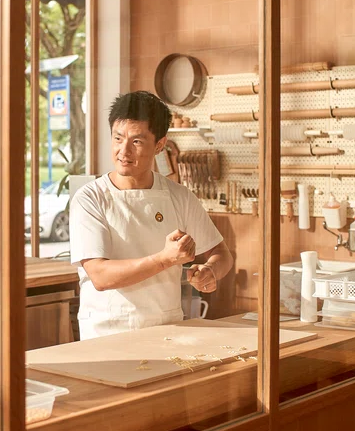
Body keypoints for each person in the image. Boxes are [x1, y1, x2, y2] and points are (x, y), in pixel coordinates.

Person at [69, 91, 234, 339]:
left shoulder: (179, 196)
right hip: (107, 333)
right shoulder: (90, 198)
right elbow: (100, 276)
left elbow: (222, 254)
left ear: (159, 145)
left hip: (167, 329)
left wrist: (210, 271)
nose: (123, 151)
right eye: (117, 138)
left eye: (137, 141)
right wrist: (165, 259)